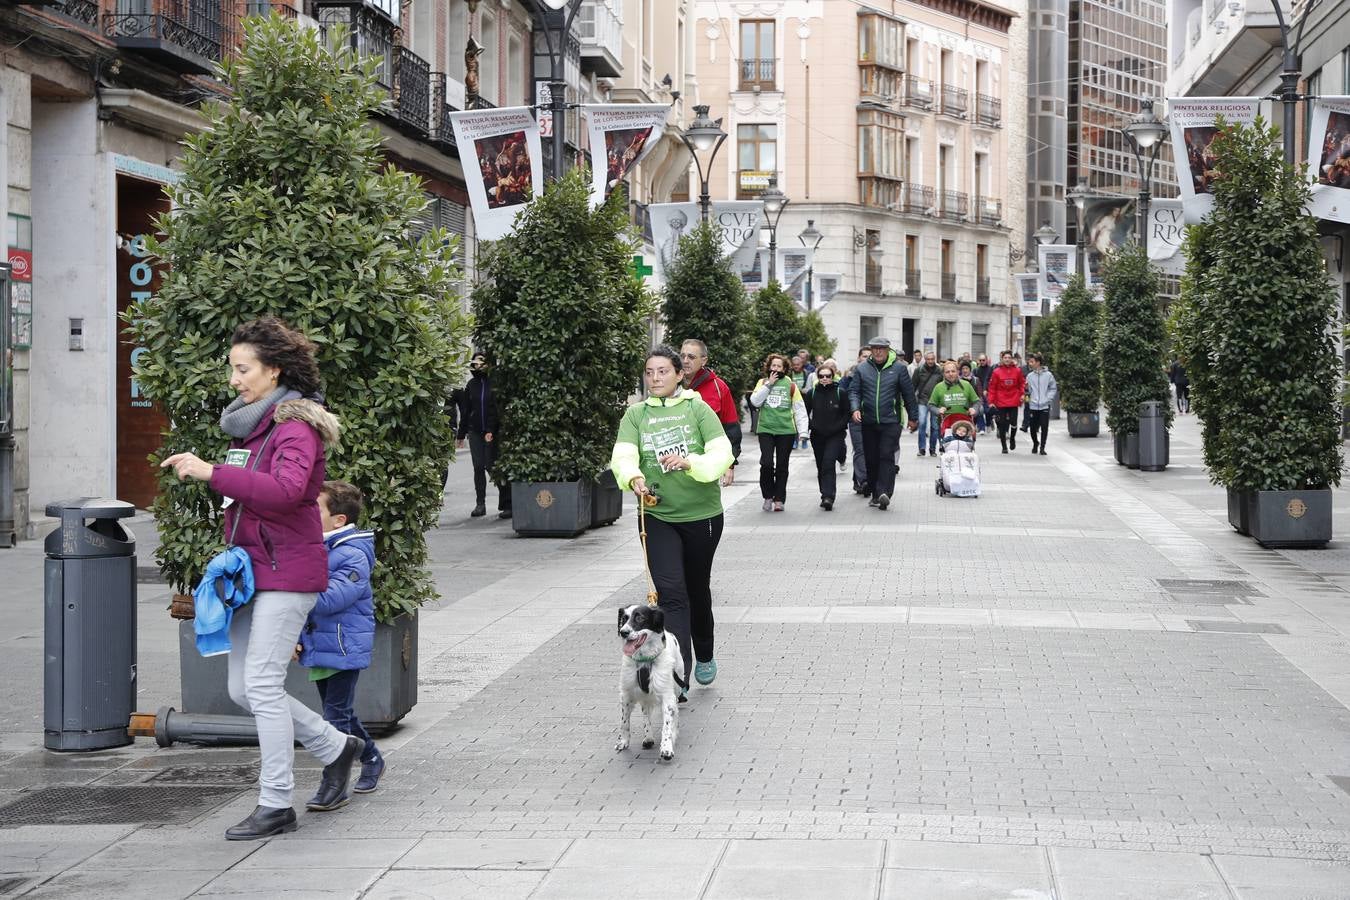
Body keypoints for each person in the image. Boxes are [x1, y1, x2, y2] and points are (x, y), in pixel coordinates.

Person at [161, 317, 363, 841]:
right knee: (242, 687)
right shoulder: (257, 426)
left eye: (242, 368)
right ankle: (336, 746)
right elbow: (253, 495)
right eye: (233, 368)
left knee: (262, 686)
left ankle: (276, 802)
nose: (234, 379)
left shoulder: (296, 426)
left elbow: (286, 491)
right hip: (257, 571)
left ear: (273, 371)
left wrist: (213, 472)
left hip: (288, 573)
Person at [610, 345, 734, 696]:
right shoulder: (636, 414)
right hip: (657, 515)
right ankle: (679, 676)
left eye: (663, 371)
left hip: (702, 515)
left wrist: (690, 463)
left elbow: (721, 453)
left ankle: (705, 652)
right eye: (649, 372)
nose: (655, 378)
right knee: (672, 595)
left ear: (680, 374)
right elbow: (623, 455)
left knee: (697, 590)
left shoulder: (698, 408)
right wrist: (632, 477)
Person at [298, 480, 384, 808]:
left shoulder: (352, 554)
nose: (308, 512)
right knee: (340, 714)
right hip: (322, 644)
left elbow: (332, 599)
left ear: (339, 520)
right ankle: (372, 757)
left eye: (315, 508)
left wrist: (295, 581)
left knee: (335, 715)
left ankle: (332, 784)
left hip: (343, 645)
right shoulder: (320, 545)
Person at [848, 337, 919, 511]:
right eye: (875, 348)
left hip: (891, 421)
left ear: (888, 350)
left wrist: (913, 417)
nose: (878, 351)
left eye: (882, 348)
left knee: (886, 455)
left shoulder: (899, 369)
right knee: (871, 459)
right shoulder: (862, 369)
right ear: (871, 350)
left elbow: (908, 394)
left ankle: (884, 492)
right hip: (869, 421)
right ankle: (875, 492)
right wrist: (855, 408)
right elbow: (854, 391)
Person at [454, 352, 511, 519]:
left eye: (481, 361)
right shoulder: (471, 385)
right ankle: (480, 504)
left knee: (492, 466)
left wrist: (491, 430)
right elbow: (466, 411)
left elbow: (496, 409)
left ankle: (507, 503)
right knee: (478, 466)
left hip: (492, 431)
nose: (477, 364)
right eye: (476, 361)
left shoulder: (495, 383)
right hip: (475, 431)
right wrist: (461, 434)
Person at [749, 354, 809, 511]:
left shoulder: (791, 385)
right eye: (773, 366)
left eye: (779, 366)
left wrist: (803, 432)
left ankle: (779, 499)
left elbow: (799, 408)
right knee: (766, 463)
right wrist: (769, 385)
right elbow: (755, 402)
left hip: (786, 431)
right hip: (766, 429)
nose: (775, 369)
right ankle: (768, 496)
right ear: (769, 367)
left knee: (782, 466)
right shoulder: (762, 383)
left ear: (784, 369)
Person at [681, 339, 742, 486]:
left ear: (704, 360)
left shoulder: (719, 387)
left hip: (706, 463)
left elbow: (731, 428)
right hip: (673, 461)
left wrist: (729, 464)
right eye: (682, 356)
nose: (685, 361)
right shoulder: (669, 384)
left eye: (691, 357)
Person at [806, 360, 849, 511]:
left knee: (829, 463)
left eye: (828, 376)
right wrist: (811, 426)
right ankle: (824, 493)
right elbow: (804, 414)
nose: (825, 378)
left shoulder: (840, 392)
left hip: (835, 435)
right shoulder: (812, 393)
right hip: (817, 435)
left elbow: (846, 414)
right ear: (817, 377)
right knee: (820, 465)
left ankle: (829, 496)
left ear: (833, 376)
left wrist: (838, 428)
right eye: (822, 376)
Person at [838, 349, 870, 495]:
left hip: (872, 418)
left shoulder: (876, 375)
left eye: (869, 356)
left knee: (869, 450)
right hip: (855, 418)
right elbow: (840, 395)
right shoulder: (848, 377)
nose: (867, 358)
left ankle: (857, 479)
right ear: (858, 358)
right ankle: (864, 481)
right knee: (860, 448)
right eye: (864, 356)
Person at [986, 349, 1028, 453]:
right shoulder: (996, 372)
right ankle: (1004, 446)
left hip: (1013, 399)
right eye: (1005, 358)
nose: (1007, 359)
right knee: (1002, 424)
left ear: (1012, 359)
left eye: (1009, 358)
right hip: (1001, 401)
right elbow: (992, 388)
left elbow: (1021, 383)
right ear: (1002, 359)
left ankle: (1012, 438)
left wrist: (1022, 394)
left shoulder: (1017, 370)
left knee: (1013, 422)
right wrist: (991, 401)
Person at [910, 351, 944, 457]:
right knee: (922, 423)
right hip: (922, 401)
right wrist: (911, 402)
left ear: (935, 359)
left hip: (935, 402)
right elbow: (913, 386)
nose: (930, 361)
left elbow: (943, 386)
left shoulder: (940, 371)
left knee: (935, 426)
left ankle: (932, 449)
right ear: (925, 359)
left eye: (932, 359)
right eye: (928, 359)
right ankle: (922, 449)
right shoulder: (919, 370)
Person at [1024, 353, 1058, 455]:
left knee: (1044, 427)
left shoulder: (1048, 375)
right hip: (1033, 406)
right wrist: (1027, 396)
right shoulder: (1029, 376)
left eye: (1032, 362)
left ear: (1038, 363)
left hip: (1044, 406)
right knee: (1033, 428)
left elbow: (1053, 388)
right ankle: (1035, 443)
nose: (1030, 363)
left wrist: (1048, 399)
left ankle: (1042, 447)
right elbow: (1027, 390)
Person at [787, 355, 814, 449]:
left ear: (802, 364)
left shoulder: (807, 373)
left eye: (798, 365)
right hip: (792, 399)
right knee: (794, 419)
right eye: (794, 365)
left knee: (804, 418)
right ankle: (795, 440)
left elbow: (809, 386)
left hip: (804, 398)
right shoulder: (789, 374)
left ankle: (804, 439)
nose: (796, 366)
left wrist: (804, 390)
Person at [973, 353, 994, 434]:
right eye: (980, 360)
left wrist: (987, 389)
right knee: (980, 410)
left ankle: (988, 423)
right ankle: (981, 427)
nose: (982, 362)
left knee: (988, 410)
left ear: (986, 360)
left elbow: (990, 380)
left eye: (983, 360)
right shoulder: (976, 370)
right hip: (979, 392)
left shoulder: (991, 369)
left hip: (988, 392)